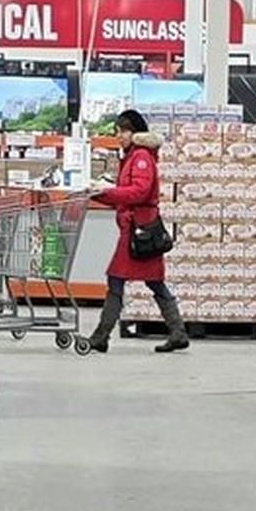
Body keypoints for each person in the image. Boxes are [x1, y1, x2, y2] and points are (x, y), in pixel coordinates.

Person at [86, 109, 188, 353]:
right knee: (153, 282)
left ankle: (101, 336)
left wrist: (105, 192)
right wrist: (97, 195)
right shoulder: (134, 156)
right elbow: (128, 194)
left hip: (139, 231)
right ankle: (178, 332)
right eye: (117, 132)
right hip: (139, 230)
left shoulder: (141, 157)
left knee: (117, 279)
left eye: (122, 131)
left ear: (134, 132)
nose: (119, 136)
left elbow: (139, 192)